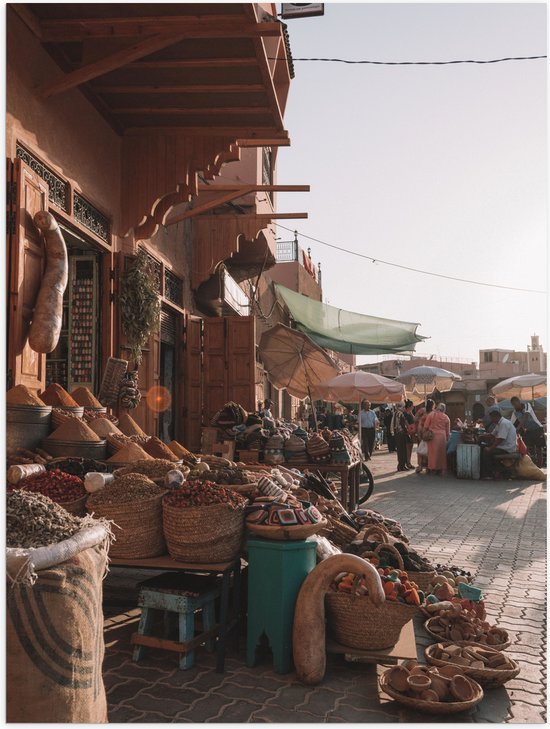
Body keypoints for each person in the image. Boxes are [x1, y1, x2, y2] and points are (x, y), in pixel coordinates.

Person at [480, 408, 518, 478]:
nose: (491, 420)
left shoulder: (504, 423)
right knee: (483, 447)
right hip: (502, 446)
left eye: (492, 418)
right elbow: (492, 435)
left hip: (507, 448)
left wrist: (490, 448)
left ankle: (489, 473)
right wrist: (481, 436)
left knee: (486, 452)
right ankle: (496, 470)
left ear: (496, 417)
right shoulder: (499, 423)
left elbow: (500, 439)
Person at [510, 397, 545, 466]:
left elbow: (526, 417)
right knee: (526, 448)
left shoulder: (527, 405)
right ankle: (531, 465)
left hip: (537, 428)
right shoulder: (514, 412)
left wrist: (518, 427)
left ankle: (539, 466)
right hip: (528, 430)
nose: (515, 405)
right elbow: (511, 423)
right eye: (513, 404)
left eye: (515, 403)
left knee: (538, 449)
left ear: (519, 401)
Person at [423, 402, 450, 475]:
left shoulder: (431, 415)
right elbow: (448, 430)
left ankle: (432, 468)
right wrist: (447, 438)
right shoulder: (446, 417)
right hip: (442, 437)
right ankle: (440, 468)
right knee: (441, 453)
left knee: (432, 453)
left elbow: (425, 426)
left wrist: (424, 433)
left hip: (432, 436)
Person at [415, 399, 435, 474]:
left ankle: (420, 466)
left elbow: (417, 421)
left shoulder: (423, 413)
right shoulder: (434, 414)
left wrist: (419, 434)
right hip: (431, 435)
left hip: (423, 434)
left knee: (420, 451)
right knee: (429, 452)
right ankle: (428, 467)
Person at [391, 402, 410, 471]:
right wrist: (407, 432)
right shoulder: (400, 414)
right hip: (401, 433)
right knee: (402, 450)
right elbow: (402, 424)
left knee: (400, 450)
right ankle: (402, 465)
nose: (404, 408)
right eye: (403, 407)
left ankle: (401, 465)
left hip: (397, 433)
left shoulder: (395, 413)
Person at [403, 400, 415, 469]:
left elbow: (414, 419)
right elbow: (406, 423)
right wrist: (409, 430)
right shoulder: (404, 414)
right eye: (412, 406)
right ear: (409, 406)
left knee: (410, 447)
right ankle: (407, 463)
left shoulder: (410, 413)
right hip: (407, 432)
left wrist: (411, 414)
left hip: (411, 432)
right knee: (407, 448)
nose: (413, 407)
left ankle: (409, 462)